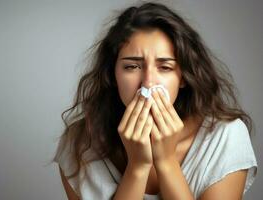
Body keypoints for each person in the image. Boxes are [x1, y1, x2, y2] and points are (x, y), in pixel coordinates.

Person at [52, 2, 258, 200]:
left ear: (184, 77)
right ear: (112, 75)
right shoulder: (79, 143)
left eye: (165, 67)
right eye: (132, 66)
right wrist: (137, 166)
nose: (148, 84)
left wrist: (166, 162)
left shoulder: (224, 137)